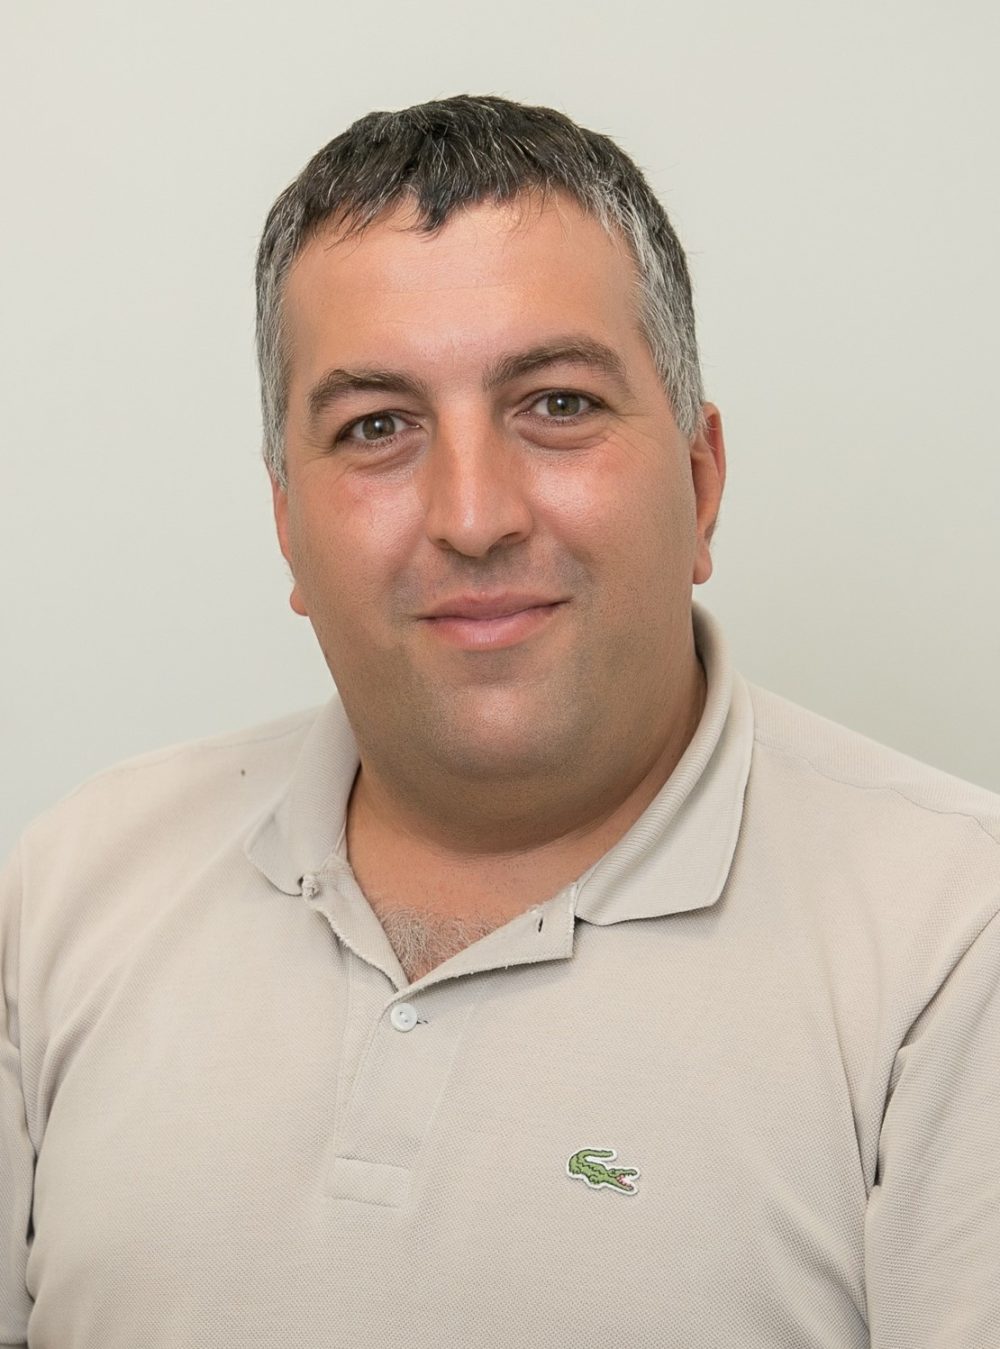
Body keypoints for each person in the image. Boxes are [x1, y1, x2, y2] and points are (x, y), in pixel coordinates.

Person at [1, 94, 997, 1349]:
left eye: (557, 404)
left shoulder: (955, 943)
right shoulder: (73, 884)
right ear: (287, 524)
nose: (473, 516)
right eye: (376, 427)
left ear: (699, 484)